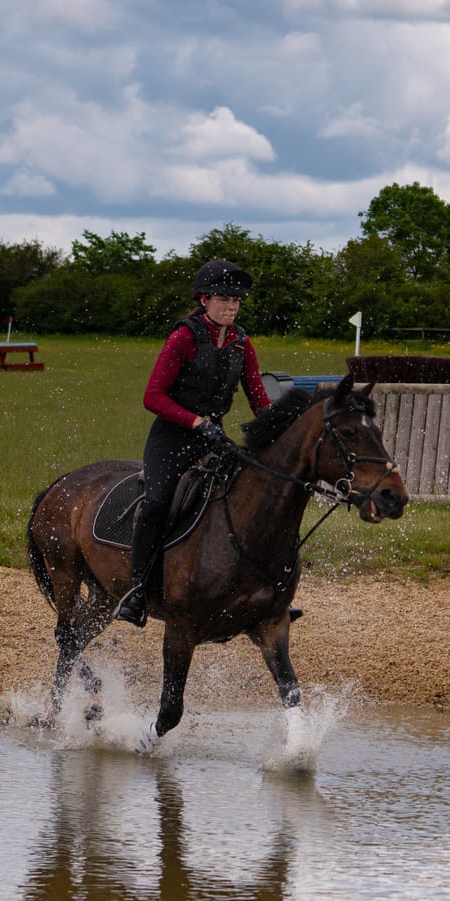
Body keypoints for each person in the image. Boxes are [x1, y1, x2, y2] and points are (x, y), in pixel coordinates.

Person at [115, 258, 272, 626]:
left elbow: (259, 400)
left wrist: (278, 427)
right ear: (204, 300)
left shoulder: (242, 343)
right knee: (157, 503)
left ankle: (261, 591)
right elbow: (152, 397)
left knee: (250, 499)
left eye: (236, 301)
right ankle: (137, 591)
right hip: (171, 438)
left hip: (214, 440)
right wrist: (196, 421)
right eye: (224, 299)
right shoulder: (183, 337)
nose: (231, 307)